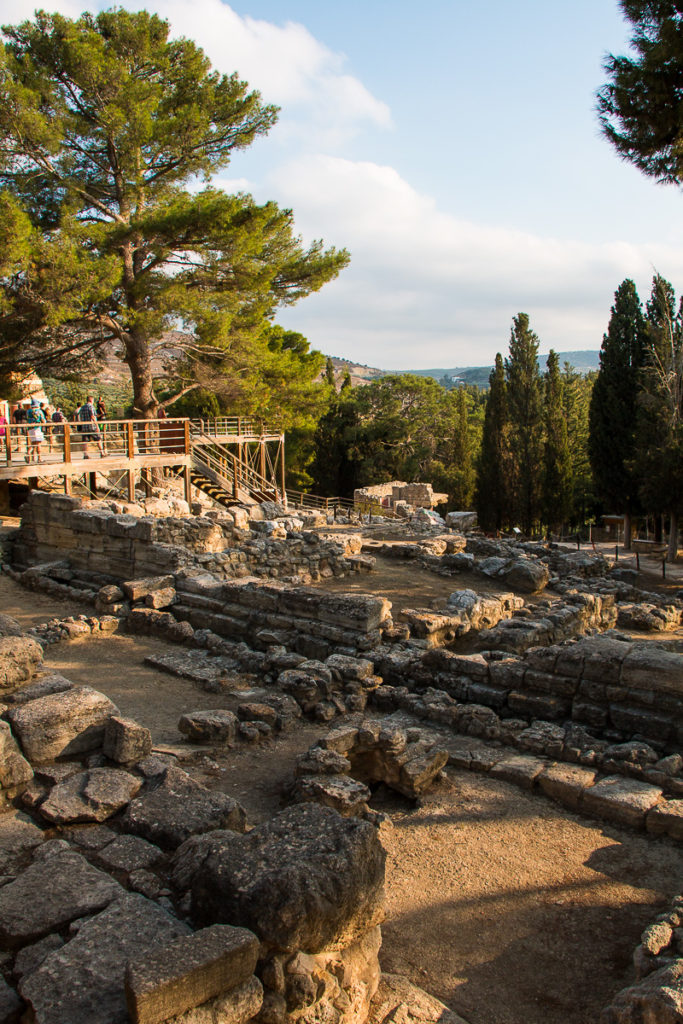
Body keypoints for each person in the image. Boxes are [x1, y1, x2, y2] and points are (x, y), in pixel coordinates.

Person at [26, 399, 47, 463]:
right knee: (38, 443)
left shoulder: (28, 411)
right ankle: (39, 458)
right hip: (37, 428)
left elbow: (27, 418)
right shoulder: (39, 411)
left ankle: (30, 455)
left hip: (30, 428)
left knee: (33, 443)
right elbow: (43, 420)